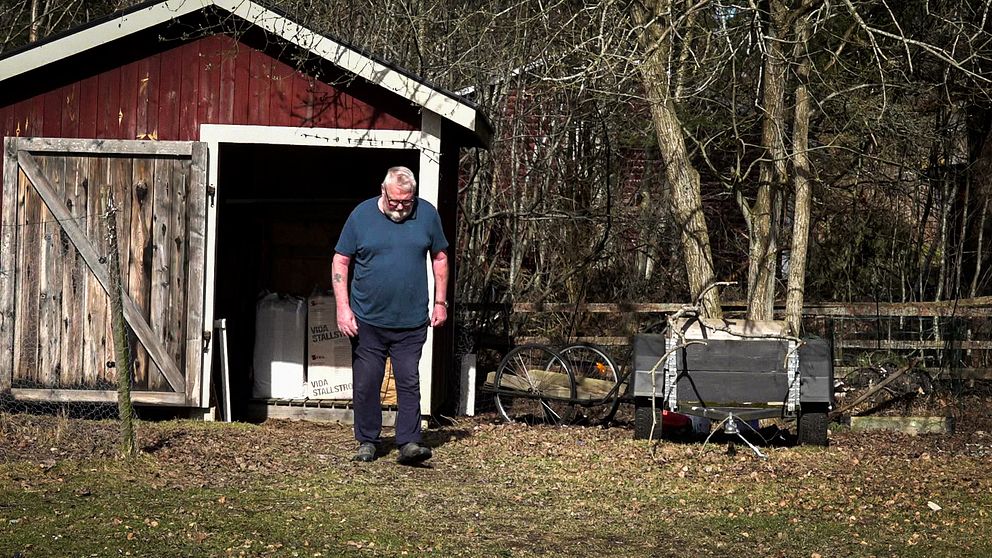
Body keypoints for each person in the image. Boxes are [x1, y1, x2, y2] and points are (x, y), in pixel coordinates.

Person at [332, 166, 449, 465]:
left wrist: (440, 302)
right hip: (367, 320)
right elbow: (341, 260)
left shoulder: (427, 215)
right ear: (383, 191)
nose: (400, 208)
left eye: (406, 203)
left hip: (410, 322)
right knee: (367, 382)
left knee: (409, 381)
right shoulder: (361, 216)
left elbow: (440, 257)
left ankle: (409, 443)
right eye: (395, 201)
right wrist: (343, 308)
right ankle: (367, 441)